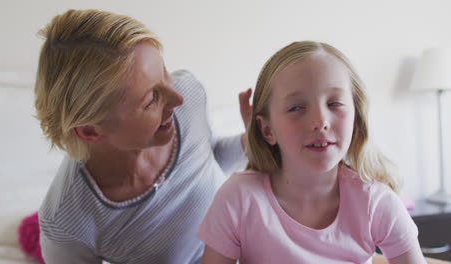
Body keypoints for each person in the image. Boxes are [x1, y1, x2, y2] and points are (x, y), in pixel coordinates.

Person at [34, 9, 249, 263]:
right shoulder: (67, 223)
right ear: (91, 130)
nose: (176, 99)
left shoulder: (188, 94)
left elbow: (210, 160)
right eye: (150, 100)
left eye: (165, 73)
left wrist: (254, 140)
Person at [197, 41, 426, 264]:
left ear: (355, 116)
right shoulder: (238, 198)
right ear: (267, 129)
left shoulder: (376, 203)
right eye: (296, 107)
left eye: (335, 103)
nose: (320, 122)